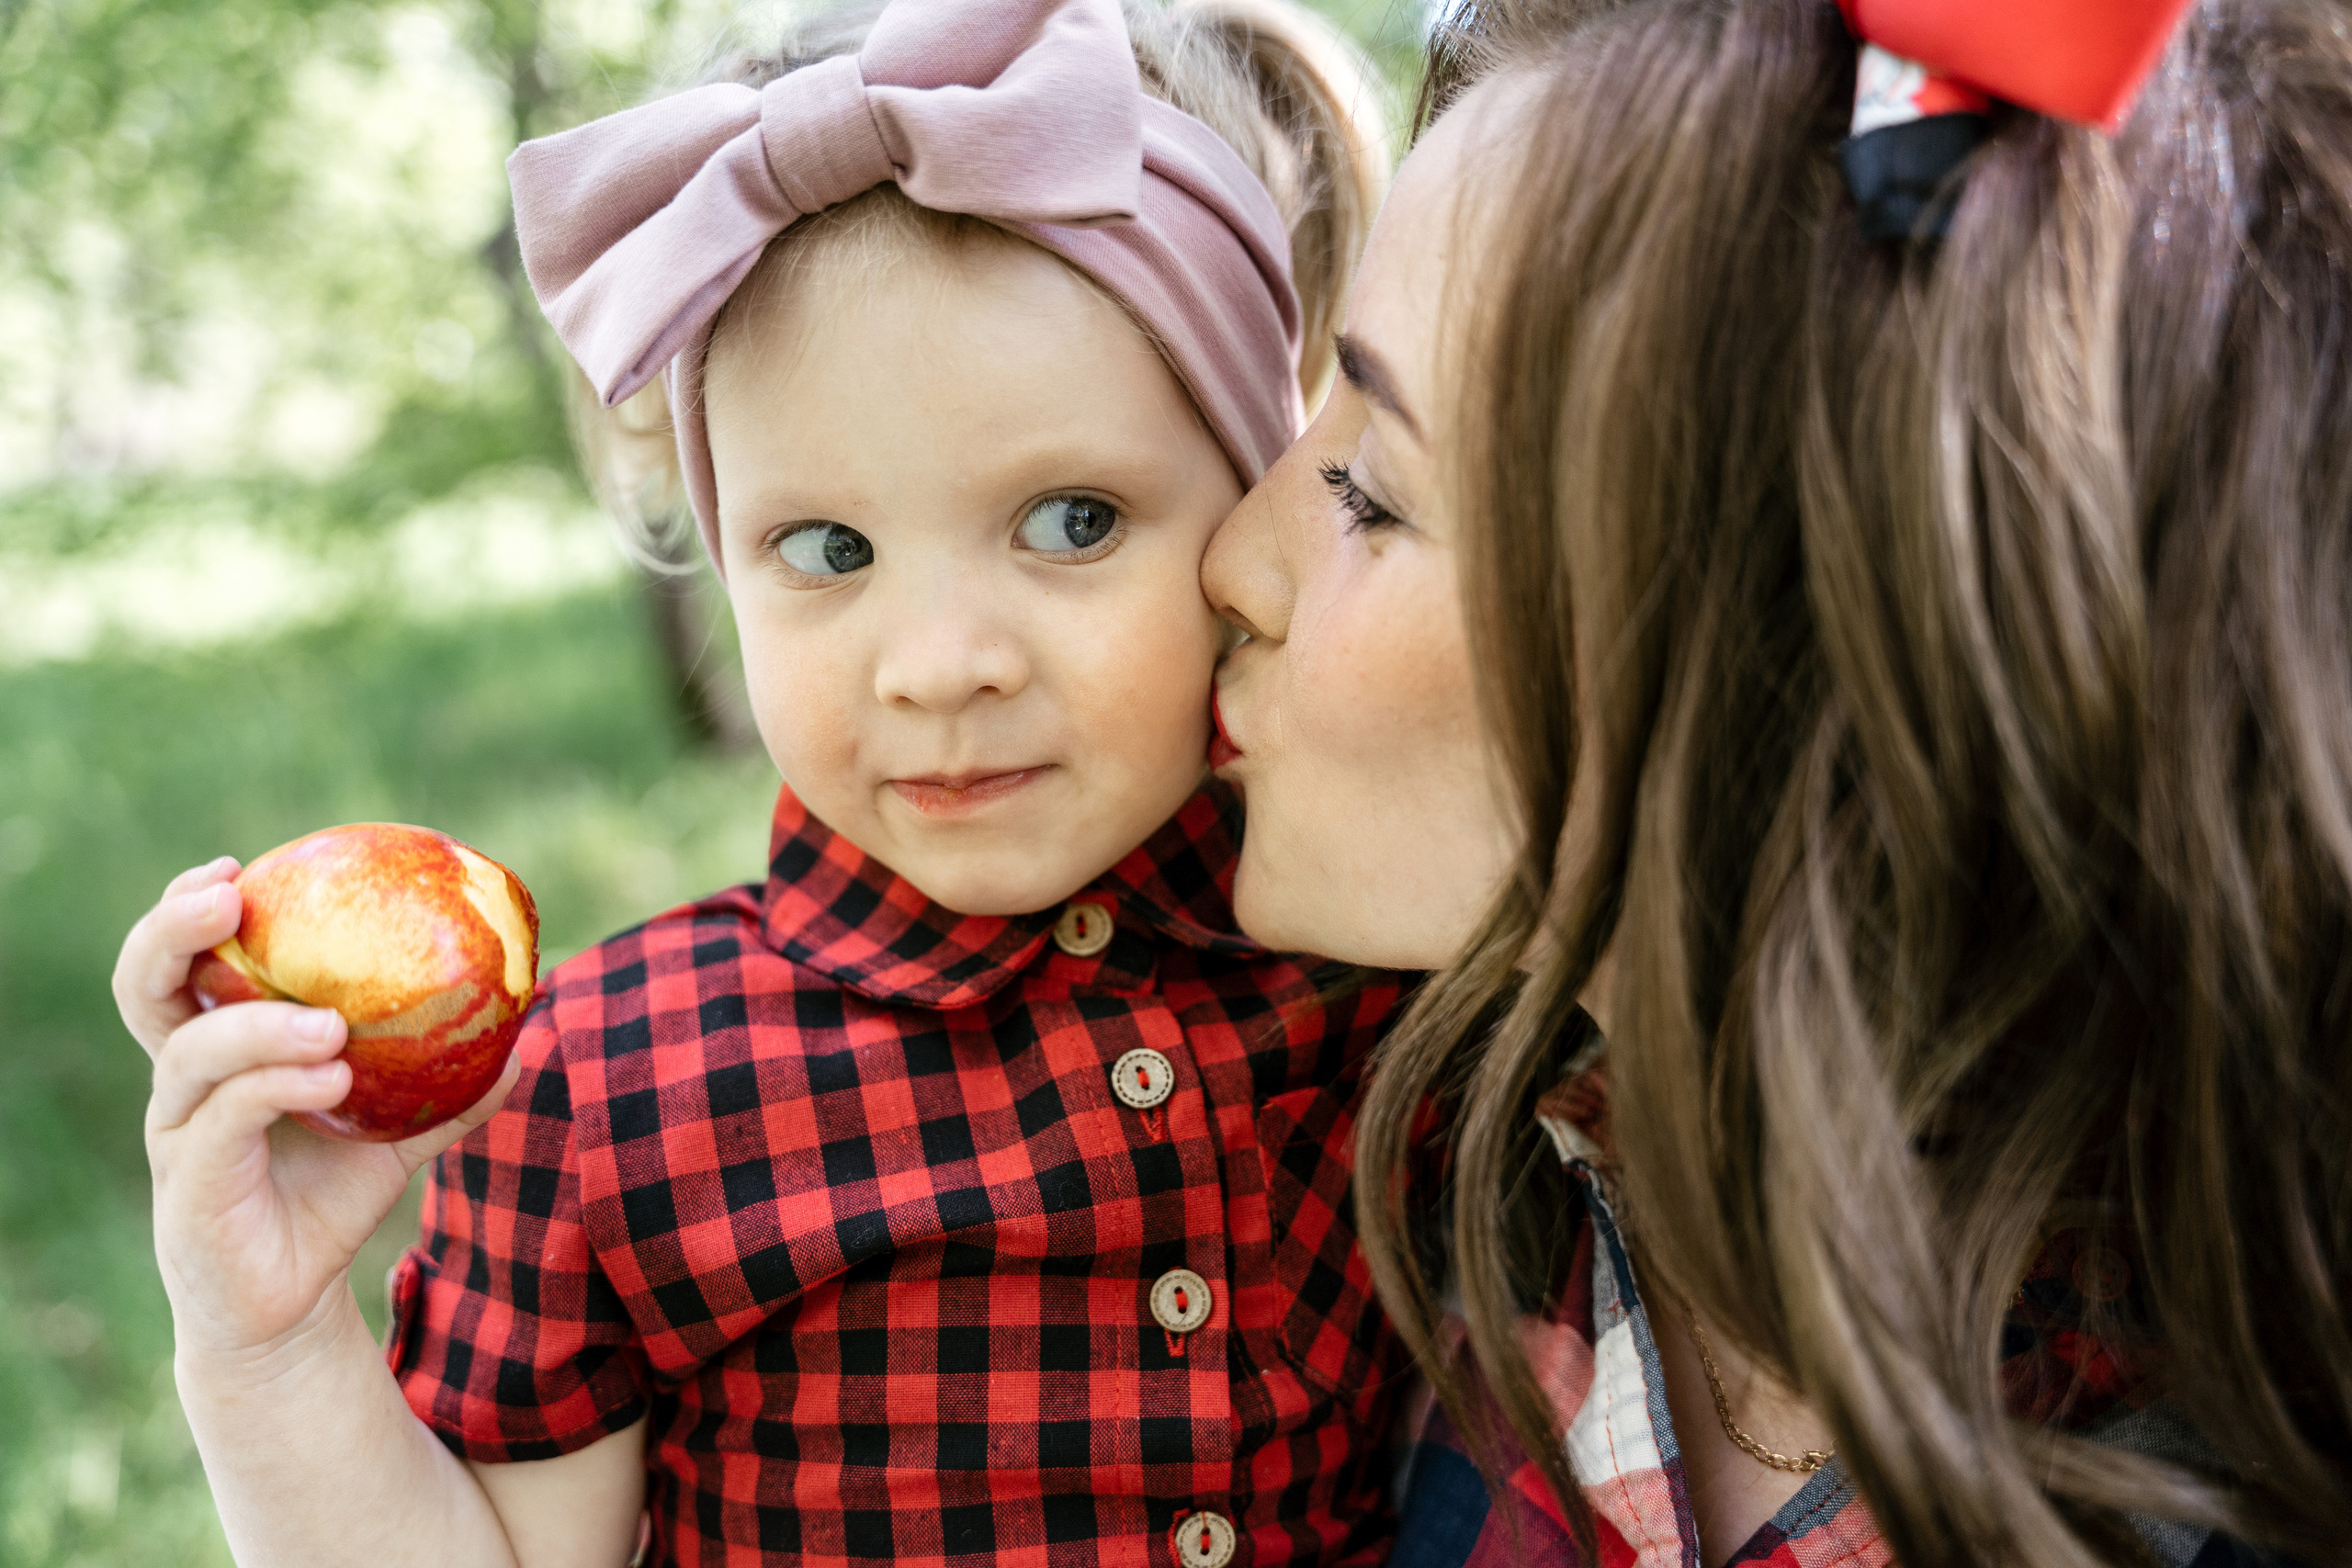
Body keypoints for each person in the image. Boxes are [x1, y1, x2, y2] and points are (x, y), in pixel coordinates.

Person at [109, 2, 1408, 1563]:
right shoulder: (605, 1093)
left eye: (1070, 520)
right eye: (827, 552)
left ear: (1252, 517)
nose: (938, 664)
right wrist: (265, 1350)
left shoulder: (1374, 958)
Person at [1202, 0, 2352, 1563]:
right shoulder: (1335, 1200)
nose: (1227, 560)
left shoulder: (2236, 1470)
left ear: (1799, 666)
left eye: (1372, 496)